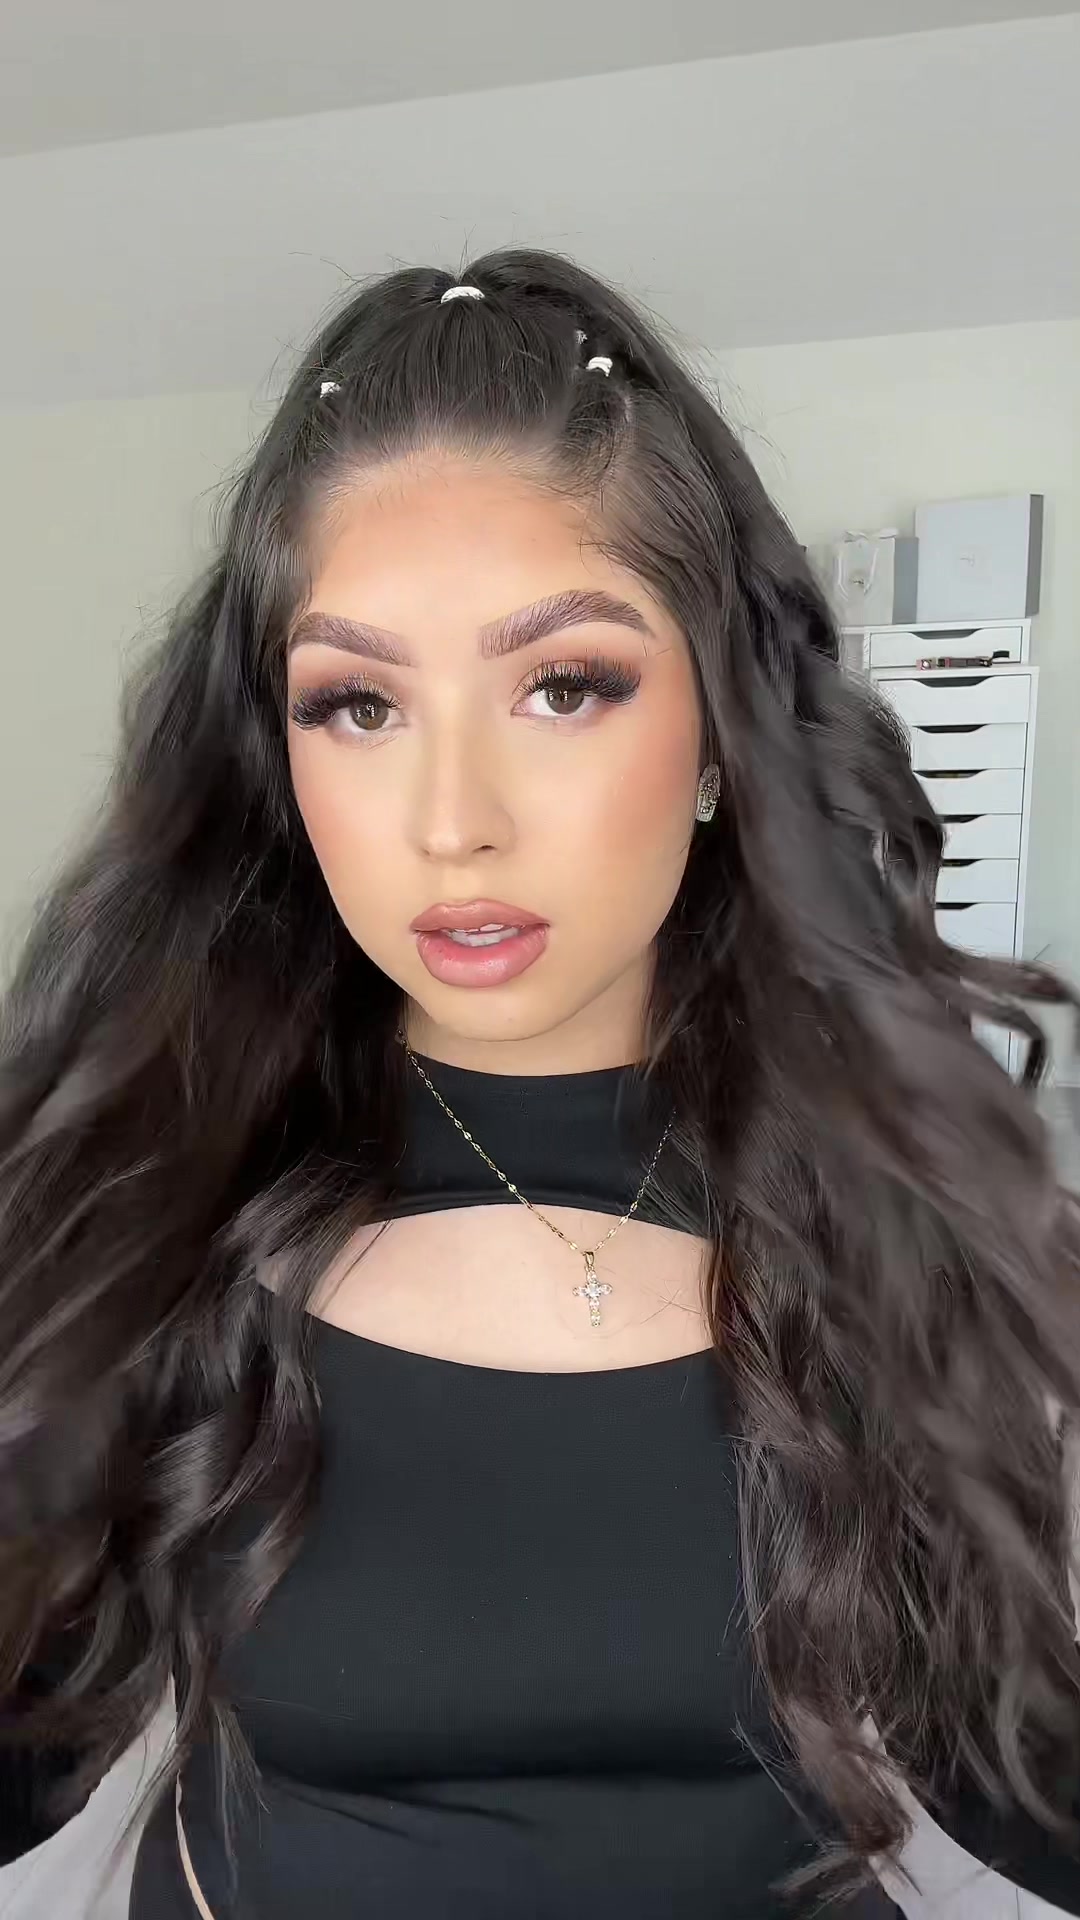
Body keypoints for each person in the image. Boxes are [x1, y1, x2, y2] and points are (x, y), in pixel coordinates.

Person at [1, 248, 1079, 1920]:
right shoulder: (151, 1210)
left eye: (565, 686)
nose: (454, 821)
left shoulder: (892, 1213)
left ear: (720, 732)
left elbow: (1002, 1769)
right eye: (357, 704)